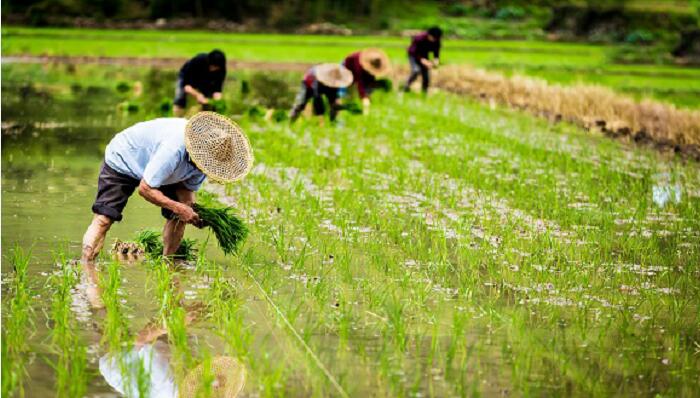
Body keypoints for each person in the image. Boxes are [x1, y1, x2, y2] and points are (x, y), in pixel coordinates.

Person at [80, 112, 253, 308]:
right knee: (104, 219)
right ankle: (86, 272)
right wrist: (178, 207)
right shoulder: (174, 149)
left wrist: (192, 213)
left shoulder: (205, 163)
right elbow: (145, 189)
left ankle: (168, 267)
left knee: (178, 217)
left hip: (163, 172)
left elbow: (186, 193)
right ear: (196, 151)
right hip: (125, 158)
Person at [289, 63, 353, 123]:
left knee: (333, 104)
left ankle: (333, 122)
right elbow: (317, 99)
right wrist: (321, 119)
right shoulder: (318, 80)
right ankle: (291, 122)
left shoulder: (335, 83)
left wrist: (343, 107)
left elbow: (333, 100)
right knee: (301, 103)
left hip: (322, 85)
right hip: (308, 84)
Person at [173, 50, 227, 116]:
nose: (214, 69)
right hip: (189, 77)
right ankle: (178, 117)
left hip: (206, 79)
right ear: (209, 63)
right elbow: (187, 87)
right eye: (212, 67)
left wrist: (217, 102)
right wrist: (197, 95)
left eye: (216, 68)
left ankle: (204, 120)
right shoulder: (197, 61)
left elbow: (217, 90)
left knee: (209, 105)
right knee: (180, 99)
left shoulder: (221, 69)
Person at [342, 48, 391, 115]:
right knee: (349, 90)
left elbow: (371, 77)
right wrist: (364, 96)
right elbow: (360, 82)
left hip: (358, 70)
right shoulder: (358, 64)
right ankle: (347, 107)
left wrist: (368, 93)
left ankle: (352, 106)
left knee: (363, 90)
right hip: (347, 67)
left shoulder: (371, 64)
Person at [403, 26, 442, 94]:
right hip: (413, 55)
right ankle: (405, 87)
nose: (434, 40)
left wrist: (436, 59)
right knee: (416, 70)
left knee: (426, 75)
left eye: (436, 39)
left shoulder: (437, 40)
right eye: (433, 38)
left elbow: (436, 51)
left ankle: (424, 93)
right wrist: (422, 60)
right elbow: (414, 51)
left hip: (424, 55)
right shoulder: (420, 38)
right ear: (429, 35)